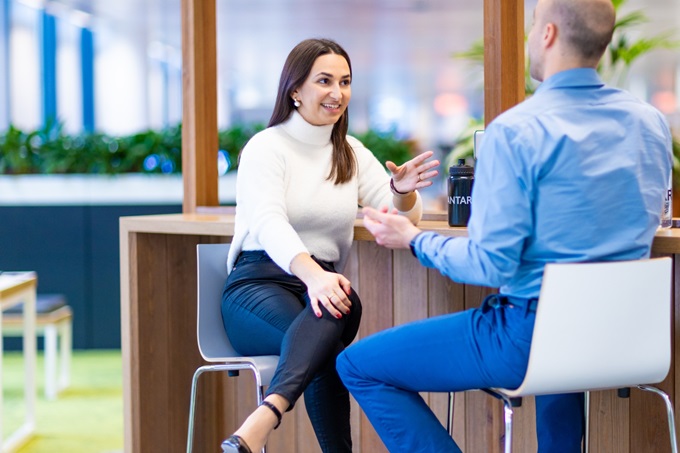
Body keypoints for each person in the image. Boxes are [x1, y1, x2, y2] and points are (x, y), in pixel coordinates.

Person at [336, 0, 674, 452]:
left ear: (549, 34)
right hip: (621, 333)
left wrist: (414, 238)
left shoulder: (516, 131)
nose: (531, 38)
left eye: (532, 26)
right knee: (563, 343)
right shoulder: (649, 123)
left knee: (359, 365)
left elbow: (489, 264)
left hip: (533, 334)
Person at [220, 38, 439, 453]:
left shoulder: (349, 152)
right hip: (256, 287)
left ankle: (263, 417)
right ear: (295, 90)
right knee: (326, 350)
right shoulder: (265, 148)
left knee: (336, 309)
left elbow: (405, 219)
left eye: (345, 81)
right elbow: (268, 222)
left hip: (321, 291)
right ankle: (272, 422)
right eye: (324, 81)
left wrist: (401, 192)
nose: (337, 93)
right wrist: (315, 275)